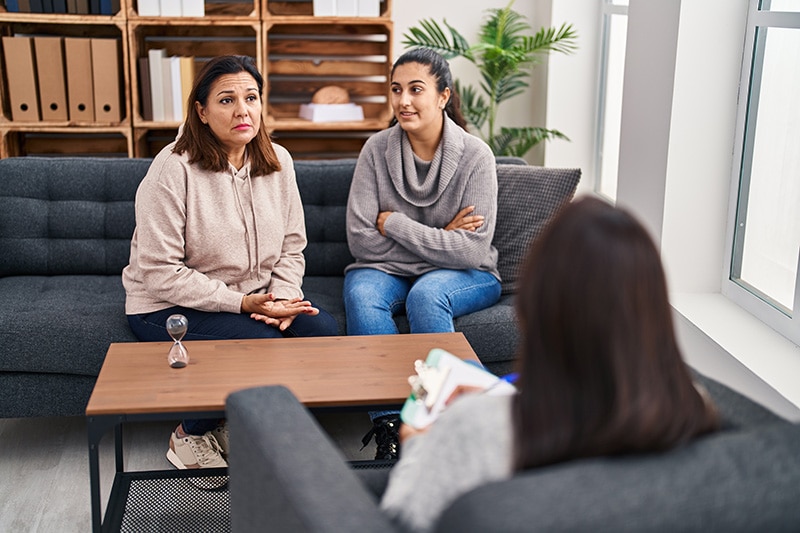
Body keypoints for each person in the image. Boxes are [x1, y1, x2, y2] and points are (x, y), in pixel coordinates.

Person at [378, 196, 721, 533]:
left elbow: (401, 516)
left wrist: (416, 442)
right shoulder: (692, 409)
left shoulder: (475, 428)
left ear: (533, 308)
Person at [123, 55, 338, 471]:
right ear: (201, 112)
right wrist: (241, 304)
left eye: (251, 97)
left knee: (320, 330)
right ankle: (188, 433)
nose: (243, 110)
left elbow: (293, 247)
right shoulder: (172, 168)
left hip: (256, 297)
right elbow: (159, 271)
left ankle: (233, 418)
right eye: (226, 100)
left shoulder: (278, 161)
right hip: (166, 305)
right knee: (259, 345)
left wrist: (281, 299)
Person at [344, 48, 502, 459]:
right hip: (388, 269)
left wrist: (394, 224)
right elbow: (361, 241)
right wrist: (440, 239)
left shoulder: (475, 156)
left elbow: (471, 250)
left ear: (444, 96)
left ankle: (454, 426)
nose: (403, 101)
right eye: (396, 90)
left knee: (427, 293)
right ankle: (391, 426)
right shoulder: (376, 150)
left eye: (416, 89)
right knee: (362, 293)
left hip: (471, 274)